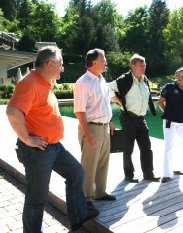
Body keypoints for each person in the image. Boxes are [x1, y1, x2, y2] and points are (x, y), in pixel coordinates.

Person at [6, 46, 98, 232]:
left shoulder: (44, 82)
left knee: (76, 172)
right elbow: (12, 112)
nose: (63, 68)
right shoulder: (29, 83)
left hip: (54, 147)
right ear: (50, 64)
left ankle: (78, 216)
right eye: (61, 64)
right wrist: (27, 139)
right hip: (37, 151)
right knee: (37, 198)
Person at [74, 49, 116, 205]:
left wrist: (110, 121)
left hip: (104, 126)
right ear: (94, 62)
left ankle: (100, 192)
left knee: (103, 162)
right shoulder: (82, 83)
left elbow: (105, 104)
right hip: (91, 128)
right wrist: (87, 133)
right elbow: (79, 110)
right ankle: (86, 197)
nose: (106, 62)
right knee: (89, 164)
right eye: (103, 59)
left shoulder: (101, 80)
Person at [109, 54, 160, 183]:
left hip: (141, 118)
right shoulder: (124, 79)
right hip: (128, 117)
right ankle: (129, 175)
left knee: (146, 147)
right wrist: (119, 101)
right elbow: (107, 89)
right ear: (132, 66)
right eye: (141, 65)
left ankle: (148, 174)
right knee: (128, 148)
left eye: (144, 65)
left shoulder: (145, 80)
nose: (144, 67)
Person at [158, 67, 183, 183]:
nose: (179, 77)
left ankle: (176, 168)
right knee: (168, 147)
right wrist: (167, 113)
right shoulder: (169, 87)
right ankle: (166, 174)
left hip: (182, 122)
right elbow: (160, 102)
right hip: (170, 122)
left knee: (179, 145)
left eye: (182, 76)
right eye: (178, 75)